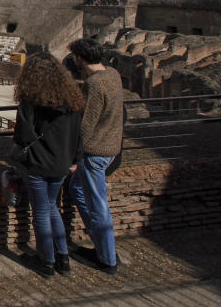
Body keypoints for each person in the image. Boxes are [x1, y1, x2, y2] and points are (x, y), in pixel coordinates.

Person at [11, 52, 84, 278]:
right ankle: (63, 257)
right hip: (63, 163)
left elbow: (23, 134)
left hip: (39, 164)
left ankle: (47, 261)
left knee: (41, 212)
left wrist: (30, 153)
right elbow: (78, 135)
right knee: (53, 208)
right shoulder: (73, 99)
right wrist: (75, 159)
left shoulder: (31, 99)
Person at [67, 38, 123, 275]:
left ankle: (107, 259)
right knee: (76, 190)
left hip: (94, 153)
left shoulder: (94, 84)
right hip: (111, 148)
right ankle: (102, 244)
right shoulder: (113, 74)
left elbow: (85, 125)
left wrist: (72, 158)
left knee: (98, 205)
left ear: (79, 58)